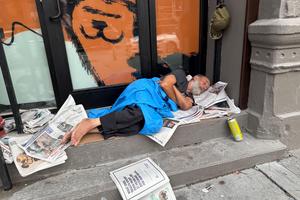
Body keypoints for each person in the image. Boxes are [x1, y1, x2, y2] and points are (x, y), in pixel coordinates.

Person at [62, 69, 210, 146]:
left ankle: (91, 127)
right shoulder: (181, 74)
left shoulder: (190, 99)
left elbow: (184, 105)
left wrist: (177, 92)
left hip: (154, 105)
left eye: (206, 88)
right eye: (205, 82)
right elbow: (164, 84)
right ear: (195, 77)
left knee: (147, 124)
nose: (205, 87)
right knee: (139, 113)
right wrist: (178, 94)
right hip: (146, 90)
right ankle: (92, 122)